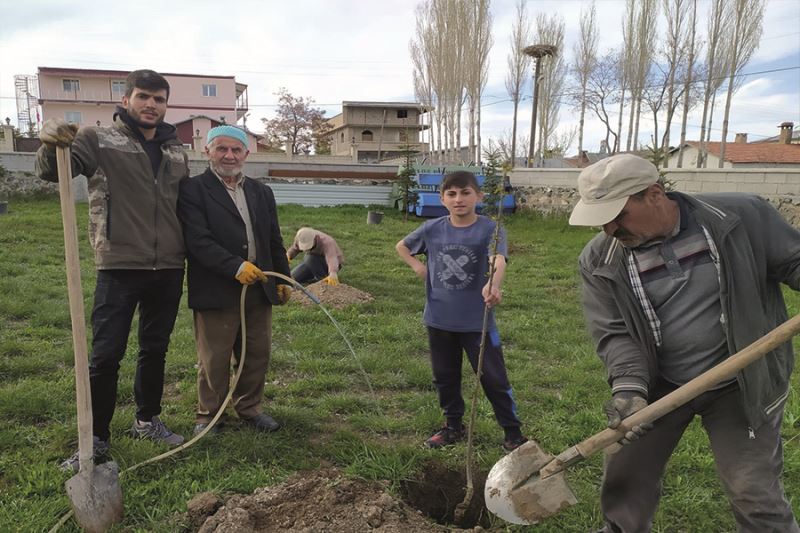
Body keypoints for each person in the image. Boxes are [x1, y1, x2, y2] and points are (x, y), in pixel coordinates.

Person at [569, 153, 800, 533]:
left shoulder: (741, 218)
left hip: (741, 382)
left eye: (618, 215)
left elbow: (793, 260)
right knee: (625, 481)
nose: (609, 228)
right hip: (659, 383)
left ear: (655, 194)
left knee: (754, 492)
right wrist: (629, 389)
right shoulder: (599, 259)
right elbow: (615, 332)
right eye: (601, 219)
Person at [37, 70, 189, 471]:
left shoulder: (177, 150)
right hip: (119, 263)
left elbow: (185, 206)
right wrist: (49, 142)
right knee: (105, 355)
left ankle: (147, 419)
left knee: (155, 348)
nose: (151, 104)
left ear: (166, 104)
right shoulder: (98, 139)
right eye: (143, 96)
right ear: (127, 100)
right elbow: (53, 171)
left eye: (159, 98)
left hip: (170, 265)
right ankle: (97, 436)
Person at [395, 171, 527, 452]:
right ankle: (452, 425)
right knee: (445, 375)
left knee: (493, 376)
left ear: (478, 196)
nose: (459, 200)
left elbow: (498, 260)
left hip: (477, 323)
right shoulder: (432, 229)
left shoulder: (491, 229)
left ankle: (512, 433)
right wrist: (418, 266)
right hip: (439, 319)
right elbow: (402, 246)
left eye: (466, 193)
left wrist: (493, 284)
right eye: (451, 194)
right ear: (442, 199)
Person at [177, 125, 292, 435]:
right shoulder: (192, 189)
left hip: (259, 283)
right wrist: (234, 266)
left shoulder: (261, 191)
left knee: (256, 353)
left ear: (246, 154)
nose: (229, 155)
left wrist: (284, 278)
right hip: (217, 286)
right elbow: (197, 240)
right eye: (222, 149)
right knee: (214, 357)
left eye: (235, 150)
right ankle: (208, 415)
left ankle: (249, 408)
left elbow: (272, 239)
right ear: (208, 151)